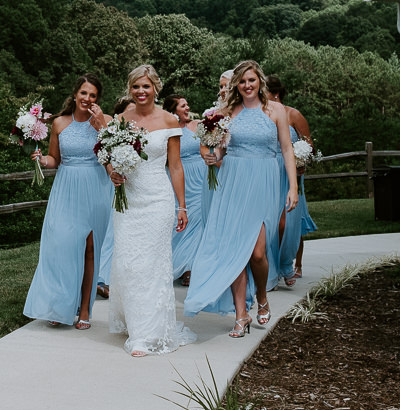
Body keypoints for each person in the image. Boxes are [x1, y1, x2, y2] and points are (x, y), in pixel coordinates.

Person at [184, 60, 298, 337]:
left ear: (260, 82)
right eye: (243, 81)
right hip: (232, 182)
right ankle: (241, 314)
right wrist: (212, 156)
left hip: (264, 182)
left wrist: (292, 187)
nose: (247, 86)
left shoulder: (276, 111)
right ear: (237, 84)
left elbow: (286, 150)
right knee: (235, 250)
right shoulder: (227, 112)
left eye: (252, 80)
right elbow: (220, 150)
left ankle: (261, 296)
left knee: (258, 252)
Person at [106, 65, 197, 356]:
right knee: (129, 263)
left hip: (158, 199)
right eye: (136, 87)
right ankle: (136, 323)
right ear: (129, 89)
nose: (141, 92)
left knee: (152, 264)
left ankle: (146, 335)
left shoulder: (170, 120)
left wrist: (181, 205)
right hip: (128, 199)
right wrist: (111, 170)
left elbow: (175, 166)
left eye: (146, 86)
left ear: (156, 88)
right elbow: (105, 153)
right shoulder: (120, 120)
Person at [23, 75, 113, 329]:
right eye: (84, 93)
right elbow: (55, 159)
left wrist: (100, 127)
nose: (87, 99)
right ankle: (60, 304)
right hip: (66, 188)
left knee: (89, 250)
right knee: (61, 245)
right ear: (75, 94)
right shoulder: (59, 123)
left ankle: (84, 309)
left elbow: (112, 153)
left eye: (93, 95)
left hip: (95, 188)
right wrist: (42, 161)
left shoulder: (103, 123)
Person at [266, 75, 318, 285]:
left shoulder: (293, 114)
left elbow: (309, 145)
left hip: (291, 172)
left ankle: (294, 265)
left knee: (291, 221)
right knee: (272, 223)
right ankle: (275, 266)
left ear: (275, 94)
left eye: (265, 92)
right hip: (270, 172)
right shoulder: (263, 114)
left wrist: (300, 158)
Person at [162, 94, 203, 287]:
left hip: (201, 178)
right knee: (180, 223)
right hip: (178, 178)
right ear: (173, 110)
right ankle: (181, 264)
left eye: (187, 105)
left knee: (200, 221)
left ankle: (193, 266)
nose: (188, 108)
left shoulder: (196, 125)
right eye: (183, 106)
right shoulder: (167, 129)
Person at [95, 95, 133, 300]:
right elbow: (104, 155)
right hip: (112, 185)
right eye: (128, 111)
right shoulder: (111, 131)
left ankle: (116, 278)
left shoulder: (139, 132)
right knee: (111, 232)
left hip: (133, 186)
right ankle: (102, 279)